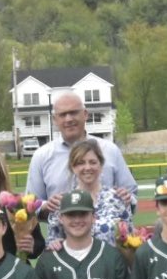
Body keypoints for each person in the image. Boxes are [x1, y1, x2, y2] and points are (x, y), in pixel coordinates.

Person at [27, 91, 138, 223]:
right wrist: (46, 206)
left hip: (106, 238)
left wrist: (128, 198)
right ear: (55, 120)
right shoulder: (41, 156)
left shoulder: (110, 150)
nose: (69, 119)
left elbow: (131, 195)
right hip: (63, 238)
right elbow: (30, 204)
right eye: (62, 115)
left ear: (85, 114)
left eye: (74, 112)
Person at [46, 138, 132, 247]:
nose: (87, 167)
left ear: (100, 165)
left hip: (112, 263)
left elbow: (129, 243)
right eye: (81, 163)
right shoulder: (62, 202)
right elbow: (52, 242)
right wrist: (55, 244)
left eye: (93, 162)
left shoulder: (118, 199)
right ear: (73, 167)